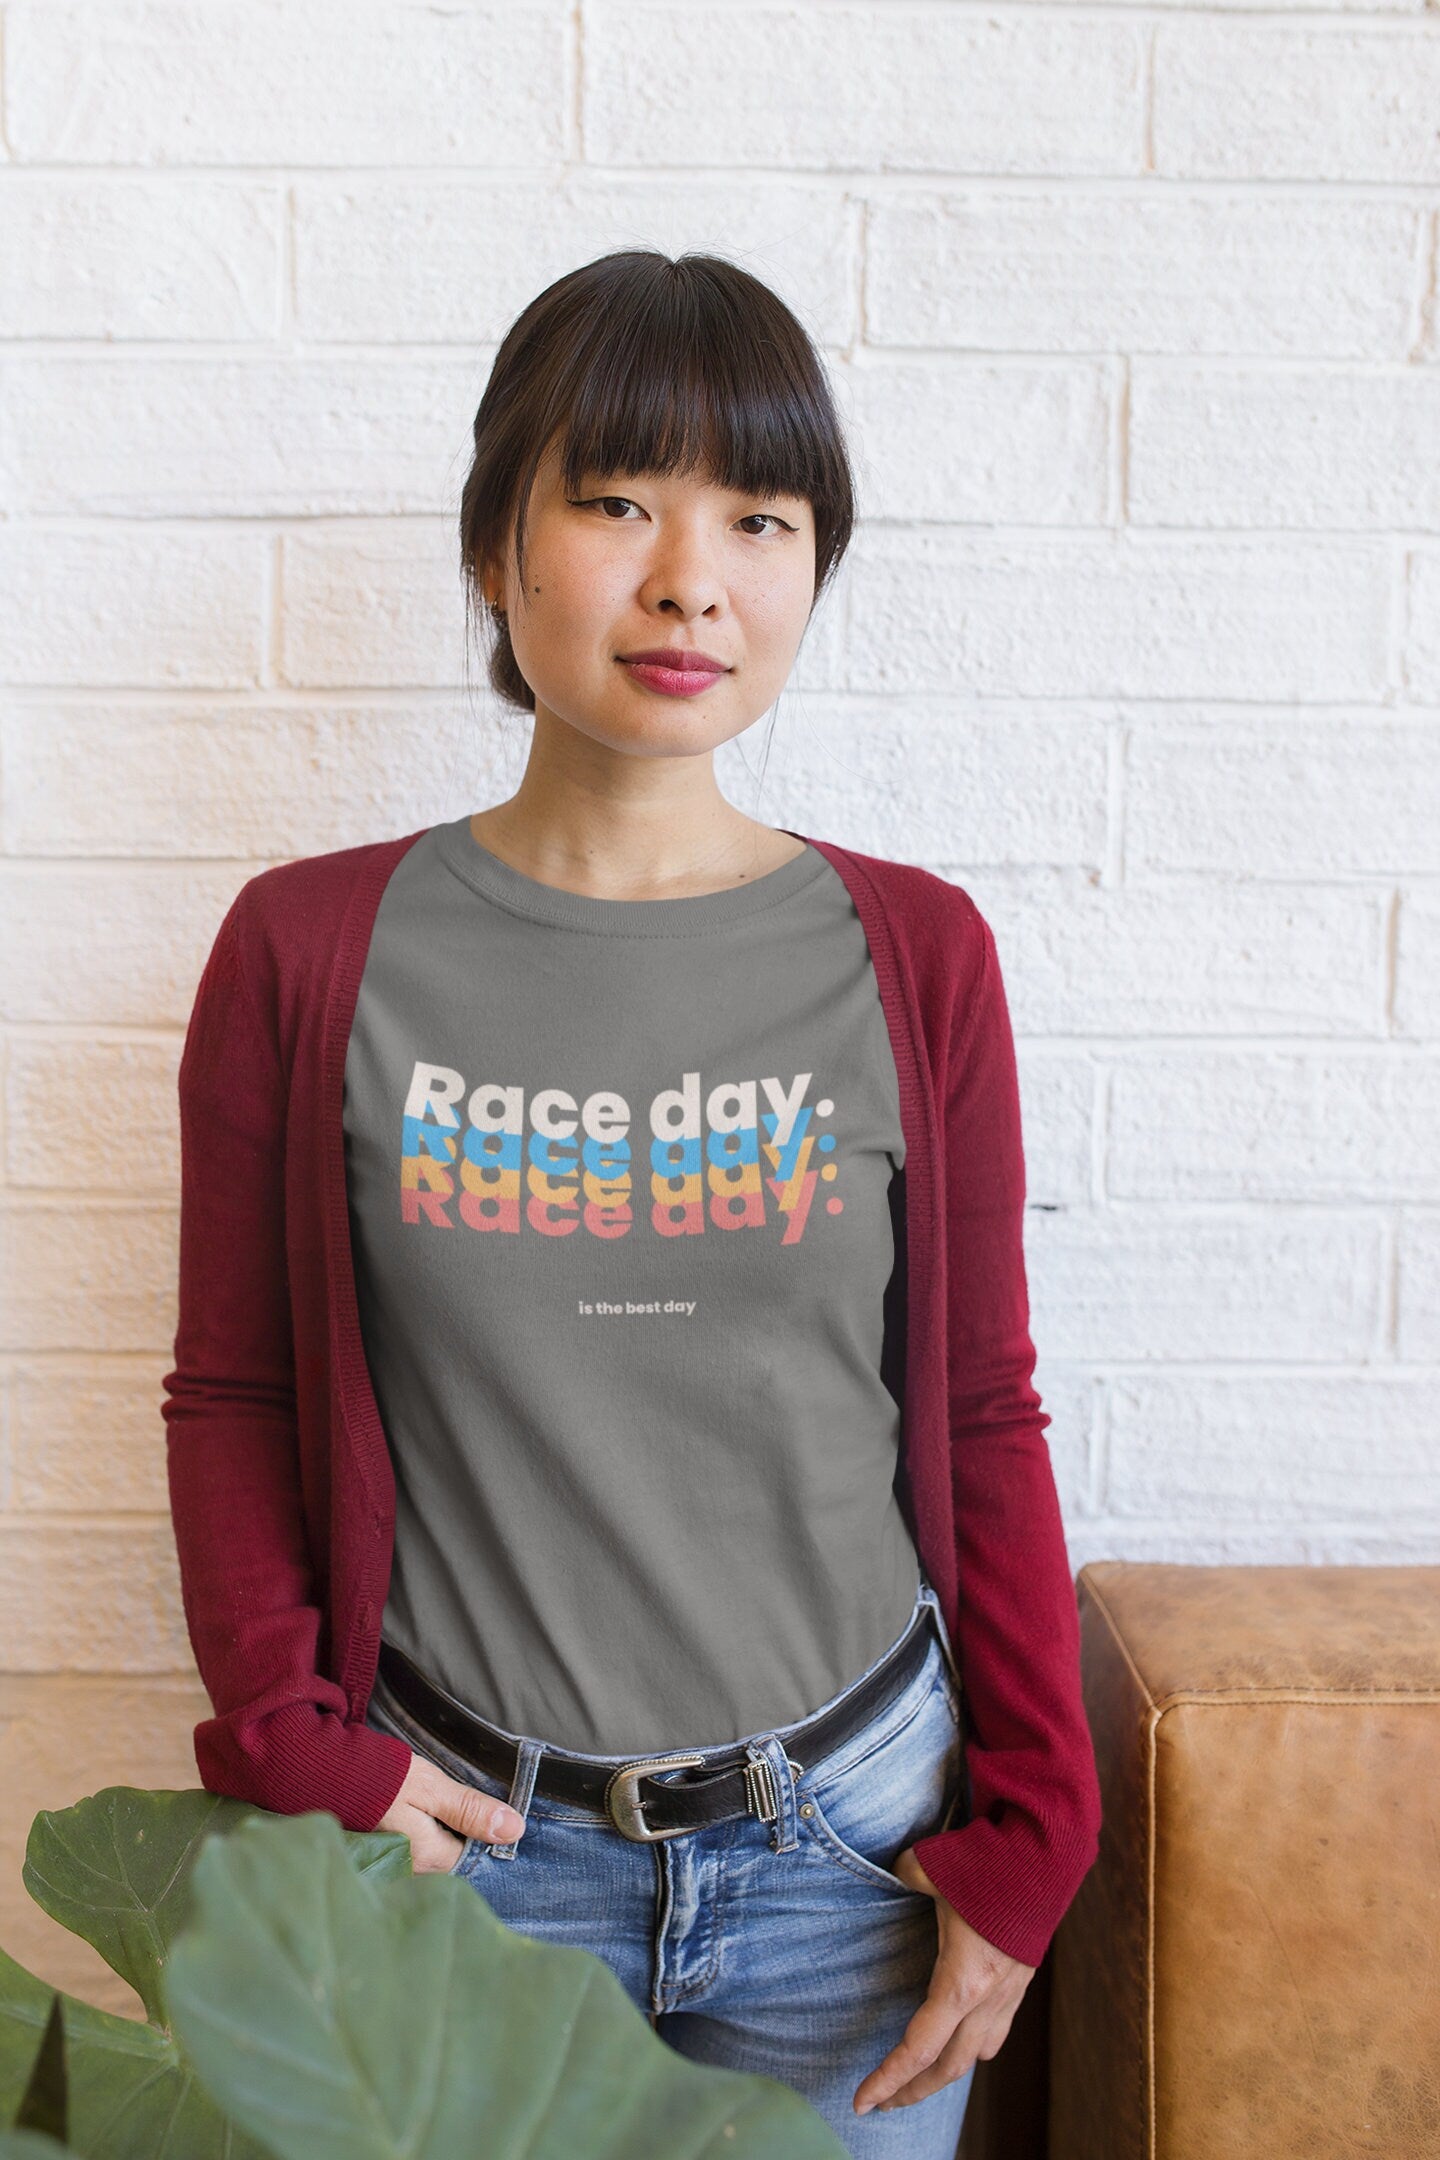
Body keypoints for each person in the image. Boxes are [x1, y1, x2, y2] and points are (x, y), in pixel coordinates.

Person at [163, 248, 1101, 2158]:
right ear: (498, 549)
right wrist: (292, 1740)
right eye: (616, 500)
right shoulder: (309, 950)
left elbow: (983, 1413)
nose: (693, 577)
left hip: (853, 1858)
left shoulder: (914, 957)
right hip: (462, 1863)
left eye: (761, 516)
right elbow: (238, 1398)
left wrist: (1034, 1827)